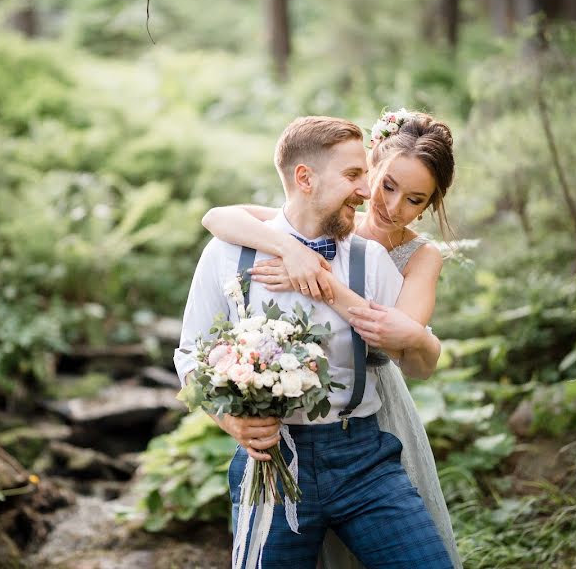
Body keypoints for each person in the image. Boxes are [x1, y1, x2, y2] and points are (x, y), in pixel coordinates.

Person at [174, 115, 453, 568]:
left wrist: (319, 279)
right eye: (359, 177)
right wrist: (230, 422)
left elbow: (410, 352)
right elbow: (189, 354)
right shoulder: (231, 252)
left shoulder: (378, 259)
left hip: (364, 454)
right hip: (274, 463)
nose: (371, 196)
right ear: (305, 178)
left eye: (414, 199)